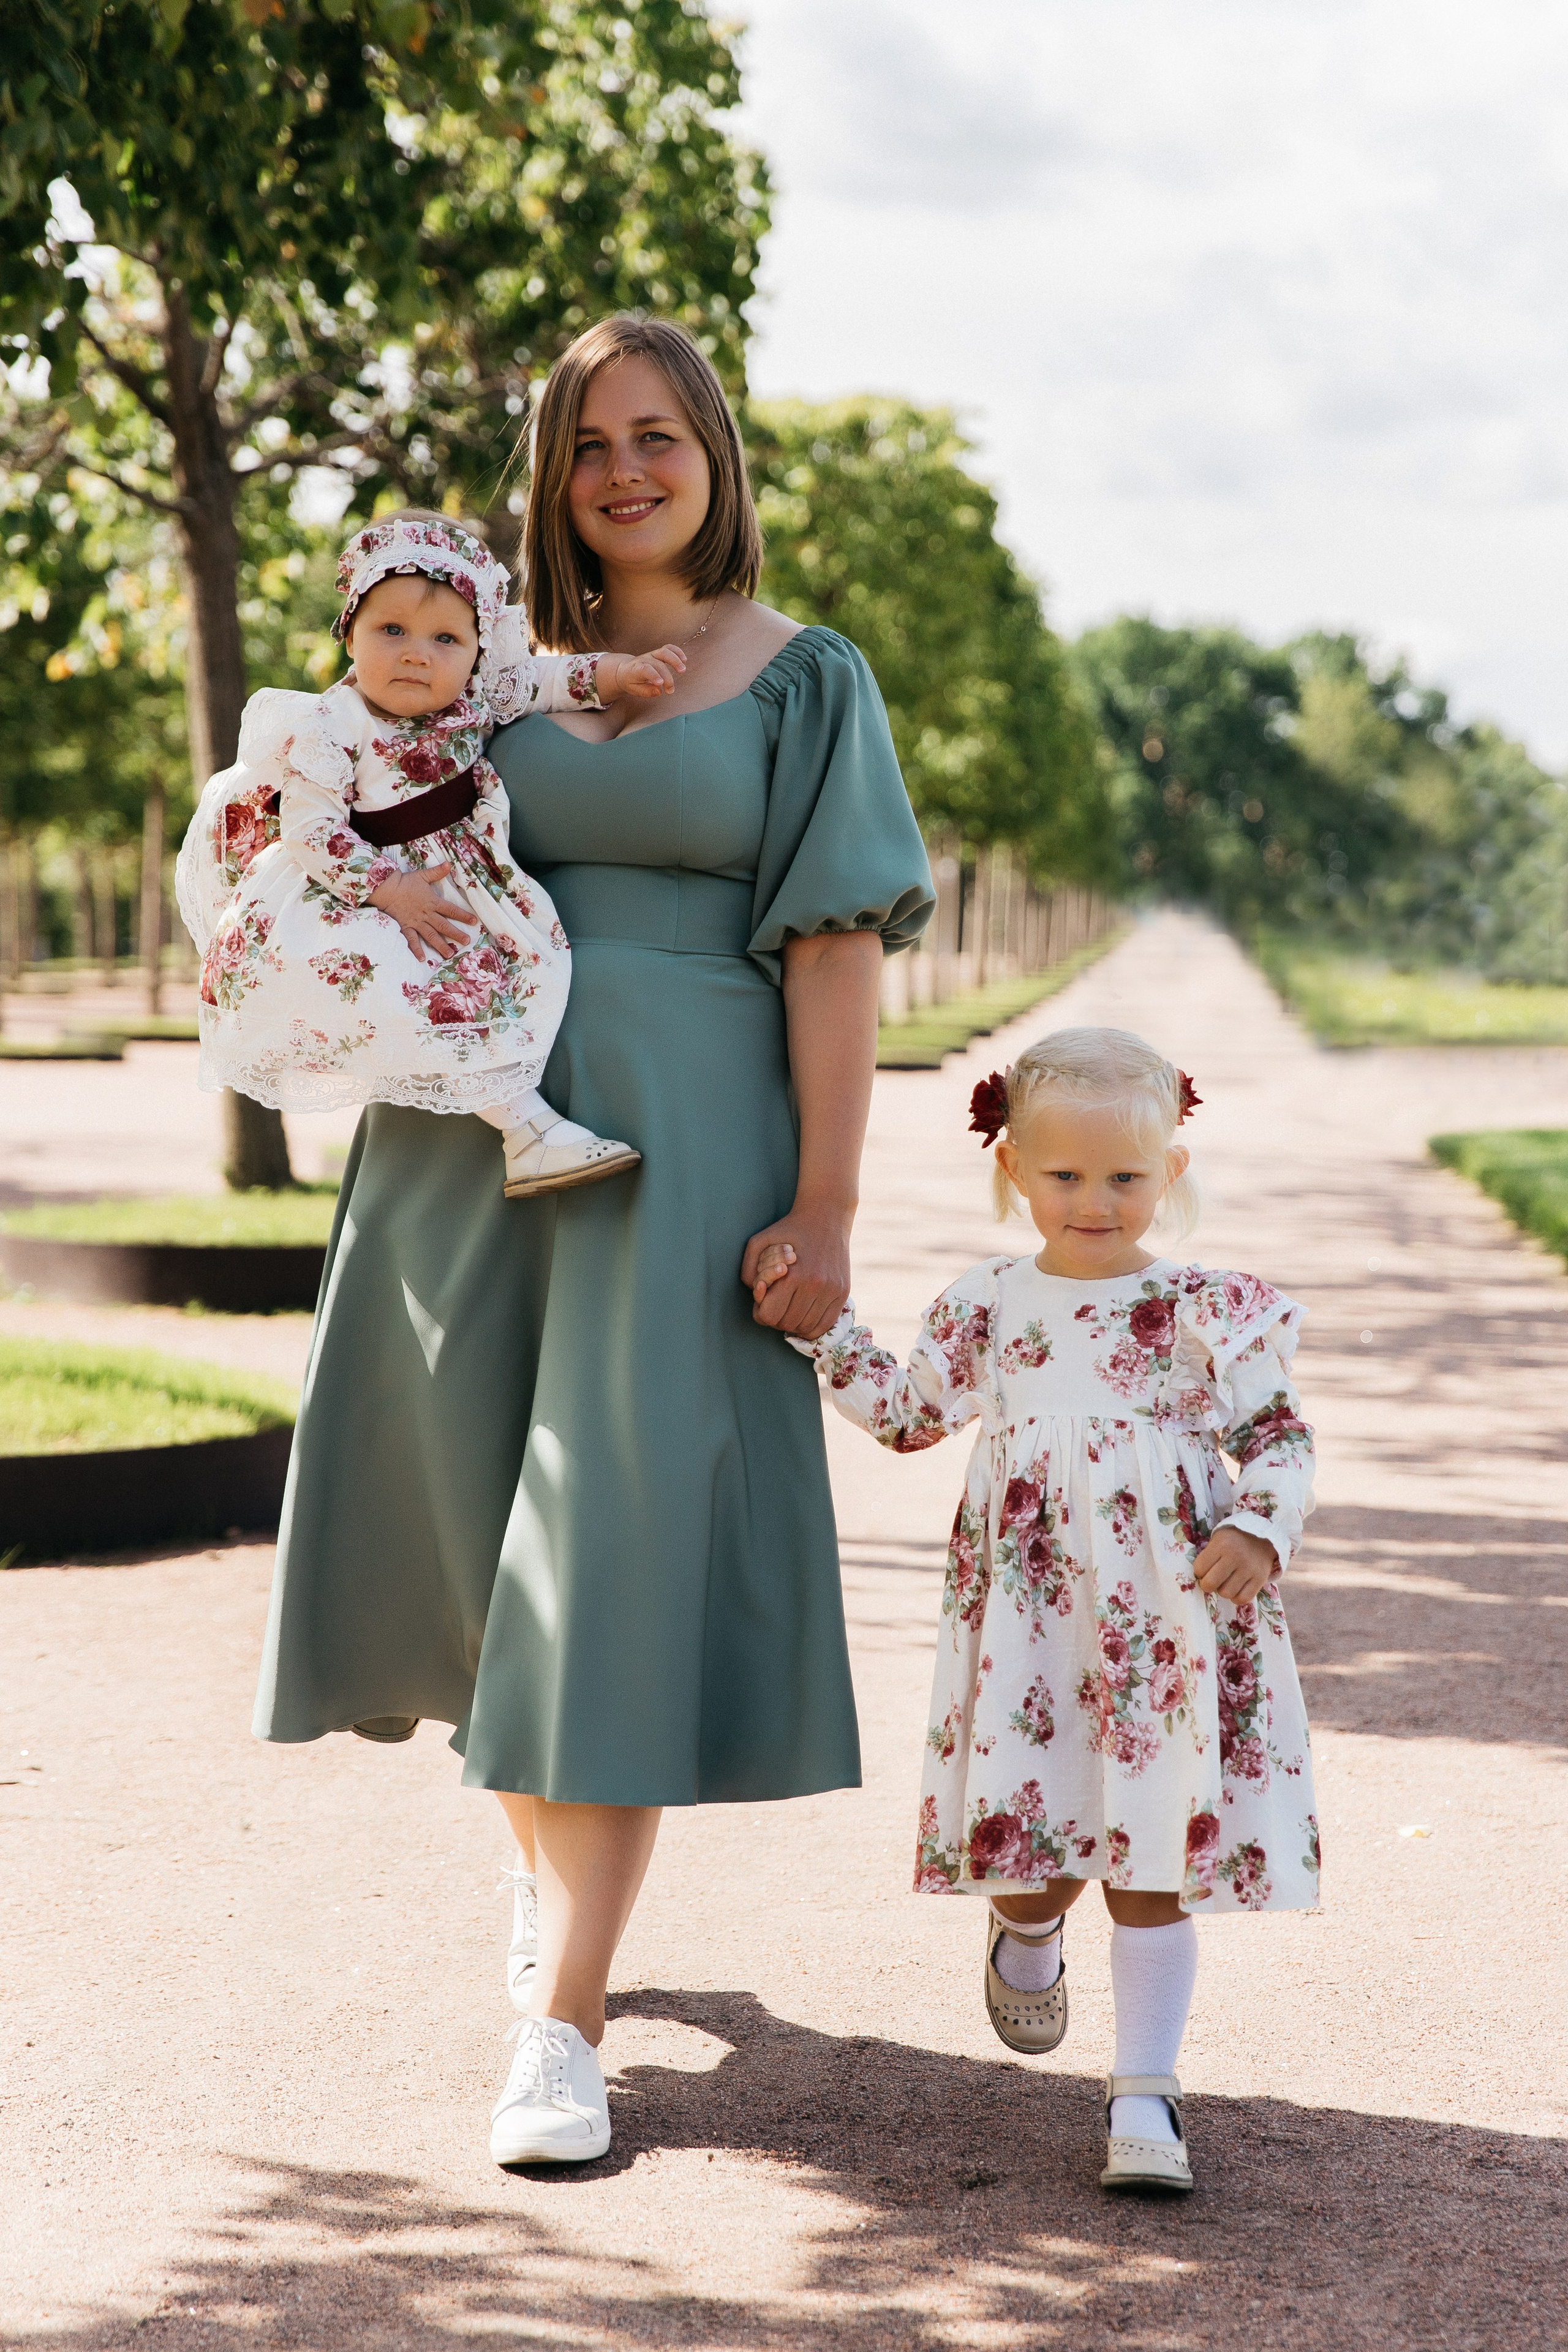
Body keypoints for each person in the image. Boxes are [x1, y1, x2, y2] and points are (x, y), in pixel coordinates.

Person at [249, 315, 935, 2169]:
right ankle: (560, 1909)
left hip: (690, 1140)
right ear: (548, 474)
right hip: (467, 1126)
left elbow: (836, 950)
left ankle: (560, 2021)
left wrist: (828, 1203)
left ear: (712, 446)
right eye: (585, 443)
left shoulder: (808, 681)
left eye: (656, 432)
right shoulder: (484, 675)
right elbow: (344, 823)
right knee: (489, 1544)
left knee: (613, 1546)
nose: (623, 468)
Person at [769, 1027, 1317, 2193]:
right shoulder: (989, 1304)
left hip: (1168, 1622)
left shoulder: (1210, 1306)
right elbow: (911, 1416)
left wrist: (1260, 1527)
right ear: (1014, 1168)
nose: (1095, 1201)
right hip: (1031, 1623)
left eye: (1125, 1177)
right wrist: (824, 1330)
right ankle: (1024, 1930)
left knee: (1155, 1849)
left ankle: (1146, 2096)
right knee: (1033, 1860)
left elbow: (1276, 1438)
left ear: (1169, 1172)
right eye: (1065, 1176)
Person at [175, 509, 686, 1196]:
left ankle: (527, 1128)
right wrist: (388, 890)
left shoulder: (476, 696)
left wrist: (623, 675)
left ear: (478, 651)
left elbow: (545, 681)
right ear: (349, 633)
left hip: (459, 873)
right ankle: (527, 1131)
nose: (418, 653)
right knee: (421, 987)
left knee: (510, 973)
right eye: (392, 630)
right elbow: (313, 830)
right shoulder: (332, 723)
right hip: (363, 890)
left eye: (446, 637)